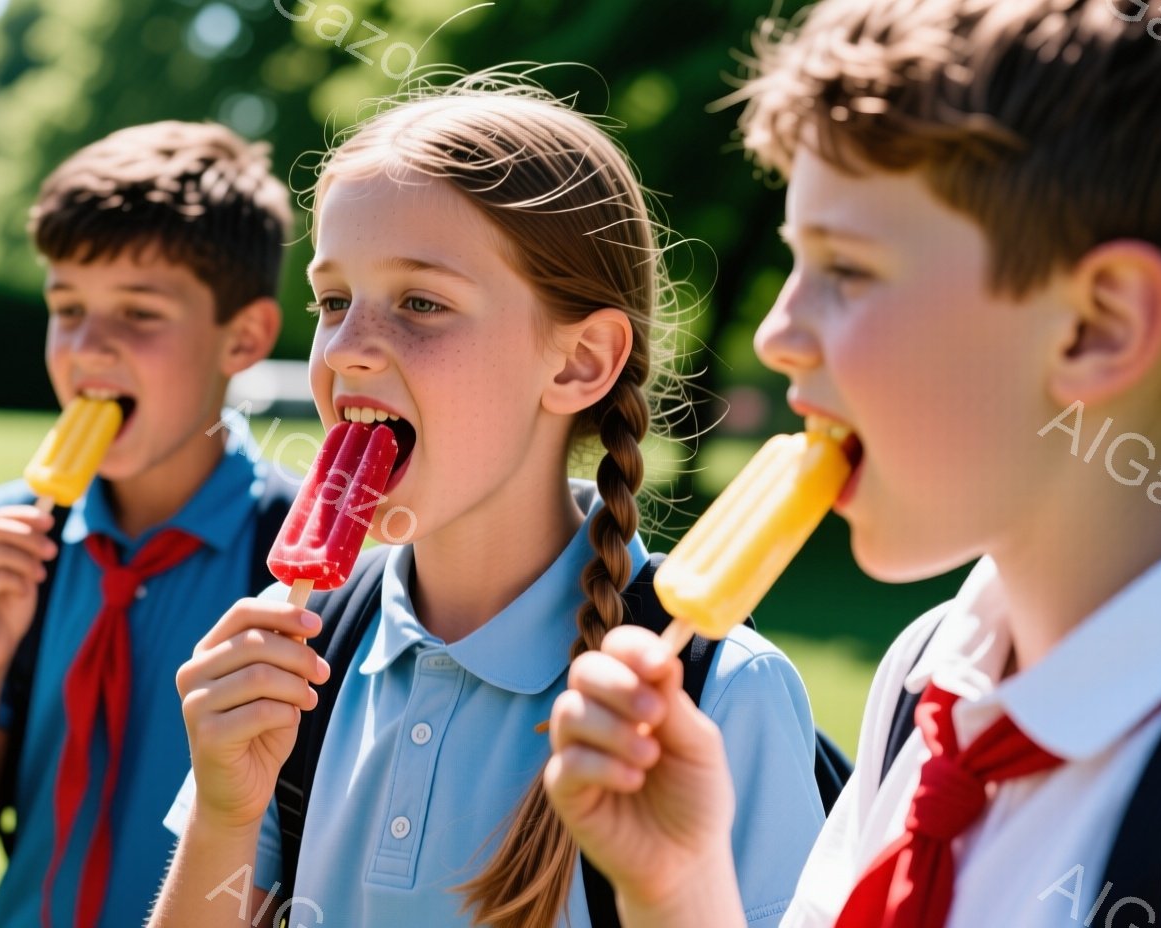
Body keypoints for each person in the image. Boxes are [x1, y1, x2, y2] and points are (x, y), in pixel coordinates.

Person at [151, 72, 824, 928]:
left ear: (580, 361)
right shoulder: (307, 657)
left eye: (421, 303)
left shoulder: (716, 694)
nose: (347, 348)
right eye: (333, 301)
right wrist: (223, 817)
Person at [545, 3, 1161, 926]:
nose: (776, 334)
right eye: (795, 263)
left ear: (1095, 327)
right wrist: (676, 889)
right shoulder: (928, 676)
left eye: (846, 270)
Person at [0, 120, 294, 928]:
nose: (88, 347)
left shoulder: (298, 567)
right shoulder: (7, 533)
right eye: (67, 307)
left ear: (245, 337)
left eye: (139, 312)